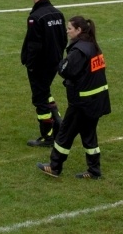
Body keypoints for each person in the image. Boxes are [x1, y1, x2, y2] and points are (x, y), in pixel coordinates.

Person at [36, 15, 111, 179]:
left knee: (65, 133)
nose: (67, 31)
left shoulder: (79, 50)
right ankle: (94, 170)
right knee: (89, 134)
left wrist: (61, 65)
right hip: (97, 99)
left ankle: (54, 167)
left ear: (78, 30)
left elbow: (66, 70)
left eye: (69, 28)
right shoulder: (92, 45)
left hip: (82, 102)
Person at [21, 0, 67, 148]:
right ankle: (60, 124)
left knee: (39, 99)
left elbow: (34, 44)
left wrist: (31, 64)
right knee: (45, 91)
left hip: (40, 64)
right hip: (54, 61)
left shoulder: (35, 17)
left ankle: (48, 136)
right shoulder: (58, 14)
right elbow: (64, 39)